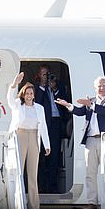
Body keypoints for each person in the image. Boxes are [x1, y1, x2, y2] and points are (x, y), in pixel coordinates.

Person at [56, 76, 105, 209]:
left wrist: (92, 105)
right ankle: (92, 202)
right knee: (90, 173)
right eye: (99, 86)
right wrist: (68, 105)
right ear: (95, 88)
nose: (102, 88)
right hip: (91, 139)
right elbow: (79, 112)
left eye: (104, 85)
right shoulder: (91, 101)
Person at [7, 72, 51, 209]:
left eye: (31, 93)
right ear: (23, 94)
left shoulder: (39, 108)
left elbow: (43, 126)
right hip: (20, 135)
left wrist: (47, 144)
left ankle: (33, 205)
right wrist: (14, 84)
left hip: (34, 137)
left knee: (32, 173)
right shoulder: (17, 105)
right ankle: (16, 203)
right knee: (18, 171)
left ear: (34, 95)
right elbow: (9, 98)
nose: (29, 96)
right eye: (27, 93)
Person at [34, 64, 69, 194]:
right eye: (44, 74)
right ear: (39, 75)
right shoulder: (36, 88)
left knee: (54, 156)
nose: (47, 76)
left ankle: (53, 186)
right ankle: (41, 186)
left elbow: (65, 101)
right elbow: (36, 103)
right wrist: (43, 87)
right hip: (42, 124)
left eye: (48, 73)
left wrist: (54, 88)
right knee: (42, 156)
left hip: (55, 123)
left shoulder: (57, 86)